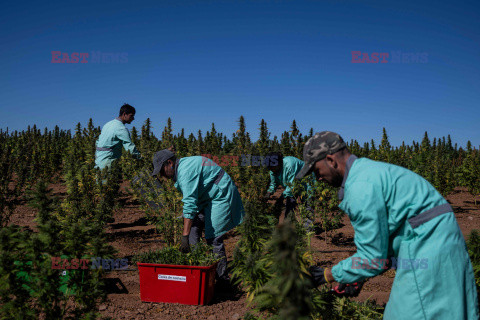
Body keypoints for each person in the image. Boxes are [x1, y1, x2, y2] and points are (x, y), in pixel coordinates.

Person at [296, 131, 479, 320]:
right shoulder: (367, 172)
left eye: (316, 171)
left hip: (427, 249)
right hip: (436, 244)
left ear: (330, 160)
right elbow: (385, 245)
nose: (317, 178)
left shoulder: (360, 187)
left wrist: (326, 275)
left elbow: (372, 258)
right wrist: (357, 277)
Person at [151, 149, 245, 285]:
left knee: (213, 237)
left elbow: (190, 203)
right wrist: (187, 235)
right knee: (193, 230)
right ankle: (197, 269)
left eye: (162, 171)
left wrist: (183, 236)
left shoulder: (185, 172)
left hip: (220, 195)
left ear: (169, 163)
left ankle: (222, 279)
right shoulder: (182, 169)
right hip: (206, 198)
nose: (162, 175)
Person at [265, 152, 313, 226]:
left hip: (307, 182)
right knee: (290, 205)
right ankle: (289, 226)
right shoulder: (273, 170)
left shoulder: (290, 164)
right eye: (270, 168)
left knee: (308, 204)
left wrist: (282, 197)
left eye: (273, 167)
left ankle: (308, 230)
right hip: (293, 186)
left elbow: (292, 185)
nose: (272, 169)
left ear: (279, 163)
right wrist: (269, 192)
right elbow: (273, 183)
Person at [95, 103, 141, 170]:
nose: (133, 118)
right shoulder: (121, 128)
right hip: (108, 161)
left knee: (99, 179)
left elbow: (97, 142)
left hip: (99, 159)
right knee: (109, 179)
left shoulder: (108, 124)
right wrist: (141, 158)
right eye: (131, 116)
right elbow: (130, 148)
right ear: (124, 114)